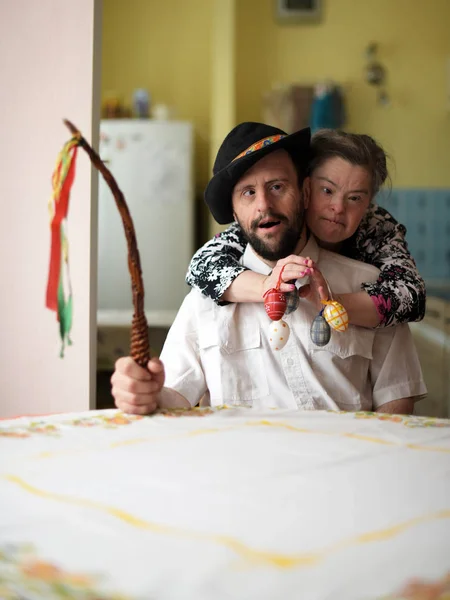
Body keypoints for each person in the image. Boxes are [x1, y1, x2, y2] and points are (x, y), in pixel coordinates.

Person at [112, 122, 426, 416]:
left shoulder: (373, 291)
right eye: (248, 193)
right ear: (234, 212)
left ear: (304, 194)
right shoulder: (206, 297)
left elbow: (396, 408)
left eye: (277, 186)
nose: (263, 204)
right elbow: (172, 396)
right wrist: (145, 394)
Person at [186, 129, 426, 329]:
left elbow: (412, 295)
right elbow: (202, 266)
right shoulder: (268, 221)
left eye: (354, 198)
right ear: (306, 188)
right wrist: (267, 287)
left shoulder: (377, 227)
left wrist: (330, 302)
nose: (338, 208)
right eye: (327, 190)